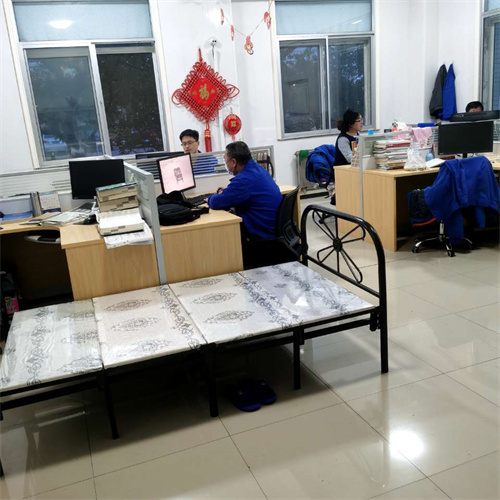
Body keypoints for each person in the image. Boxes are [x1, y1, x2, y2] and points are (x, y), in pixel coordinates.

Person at [207, 141, 282, 241]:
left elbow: (215, 202)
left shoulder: (244, 179)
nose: (225, 164)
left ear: (233, 162)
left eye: (225, 160)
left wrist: (209, 199)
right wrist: (228, 192)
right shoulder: (257, 169)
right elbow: (241, 191)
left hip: (261, 237)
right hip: (271, 230)